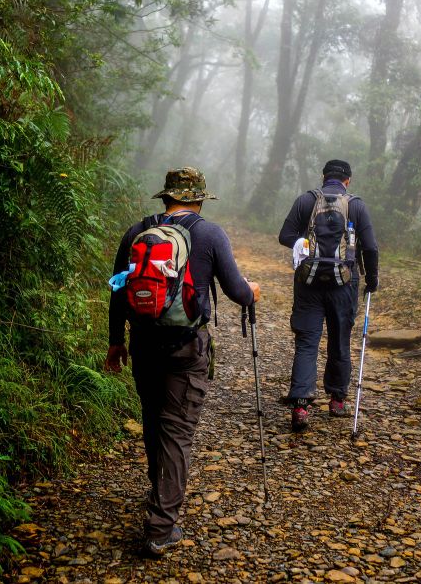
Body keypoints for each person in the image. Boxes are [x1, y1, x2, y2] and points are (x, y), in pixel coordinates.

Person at [105, 166, 260, 558]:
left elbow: (118, 291)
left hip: (142, 344)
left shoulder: (136, 231)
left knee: (155, 422)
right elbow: (238, 292)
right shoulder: (209, 234)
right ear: (198, 198)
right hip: (186, 347)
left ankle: (160, 492)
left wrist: (115, 343)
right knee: (178, 432)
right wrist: (253, 291)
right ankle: (160, 527)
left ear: (167, 196)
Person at [278, 159, 379, 432]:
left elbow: (285, 235)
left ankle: (300, 404)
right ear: (348, 180)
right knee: (340, 339)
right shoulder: (356, 205)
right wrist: (372, 279)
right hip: (344, 285)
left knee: (307, 342)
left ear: (324, 177)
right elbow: (370, 247)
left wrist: (304, 245)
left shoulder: (306, 201)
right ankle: (337, 400)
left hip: (308, 283)